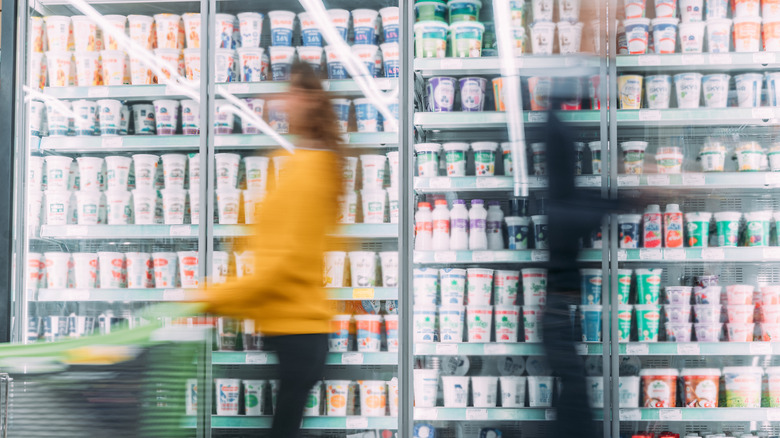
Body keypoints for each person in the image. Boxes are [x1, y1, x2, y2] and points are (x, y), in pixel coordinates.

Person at [203, 61, 343, 438]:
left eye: (291, 92)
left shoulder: (309, 169)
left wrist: (210, 296)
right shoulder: (299, 162)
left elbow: (281, 266)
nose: (281, 100)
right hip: (294, 330)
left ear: (310, 101)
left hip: (299, 332)